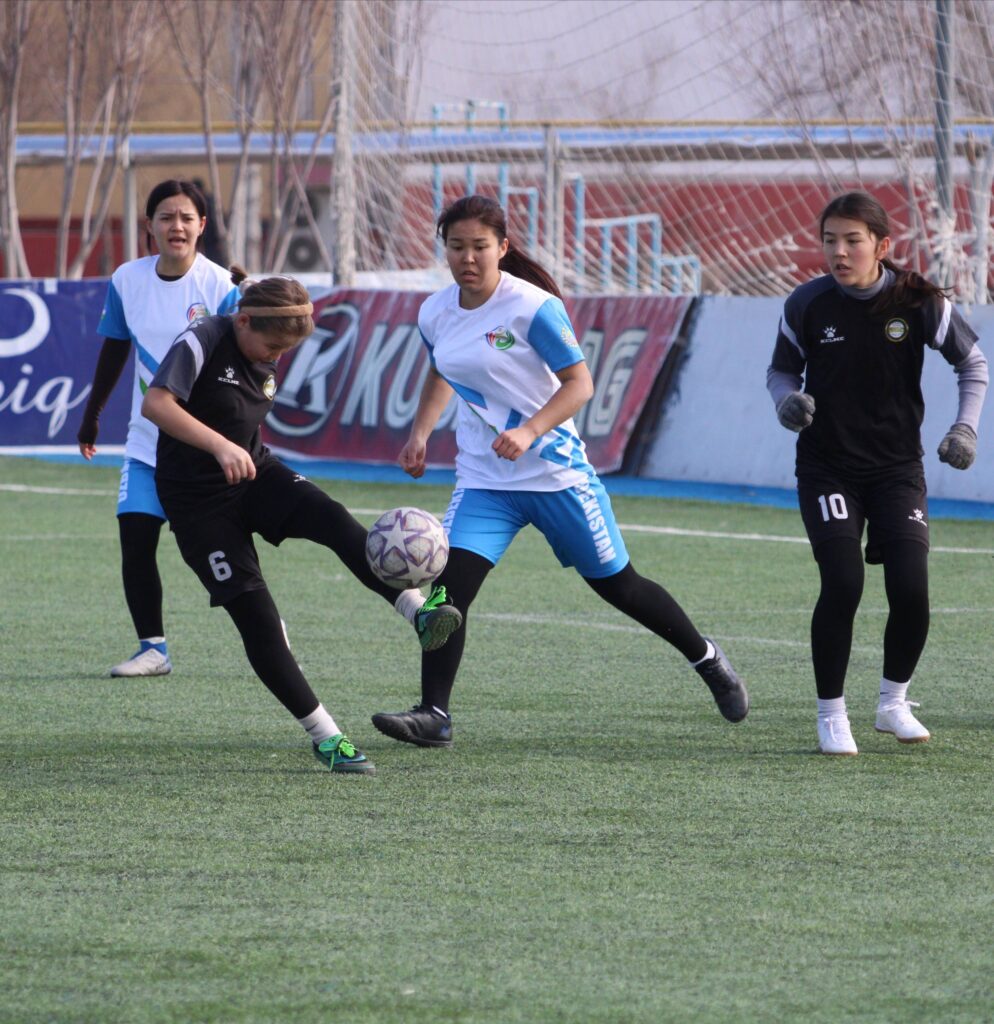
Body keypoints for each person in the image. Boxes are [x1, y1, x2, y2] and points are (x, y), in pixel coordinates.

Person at [370, 194, 749, 749]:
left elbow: (580, 384)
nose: (468, 258)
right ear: (443, 249)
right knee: (445, 595)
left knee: (619, 586)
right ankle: (434, 714)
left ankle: (707, 658)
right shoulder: (435, 311)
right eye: (456, 247)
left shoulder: (533, 307)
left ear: (503, 247)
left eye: (480, 246)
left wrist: (529, 431)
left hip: (555, 476)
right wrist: (420, 434)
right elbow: (440, 369)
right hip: (485, 481)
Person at [141, 273, 462, 774]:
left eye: (284, 350)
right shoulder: (203, 338)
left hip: (255, 473)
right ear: (243, 321)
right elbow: (156, 403)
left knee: (331, 517)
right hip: (198, 503)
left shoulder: (265, 338)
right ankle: (326, 737)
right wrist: (219, 446)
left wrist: (236, 447)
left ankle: (418, 613)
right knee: (257, 616)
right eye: (272, 347)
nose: (276, 357)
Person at [767, 191, 988, 756]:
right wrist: (787, 402)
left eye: (852, 241)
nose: (839, 252)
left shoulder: (918, 300)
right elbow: (781, 372)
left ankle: (893, 704)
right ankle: (831, 715)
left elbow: (972, 362)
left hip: (896, 470)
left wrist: (965, 429)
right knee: (843, 582)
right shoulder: (807, 303)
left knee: (912, 590)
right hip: (828, 468)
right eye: (829, 241)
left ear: (882, 245)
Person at [78, 179, 241, 678]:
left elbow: (243, 364)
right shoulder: (127, 279)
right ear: (149, 225)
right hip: (146, 445)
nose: (177, 226)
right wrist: (92, 414)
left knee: (223, 554)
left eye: (187, 217)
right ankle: (153, 649)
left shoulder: (221, 288)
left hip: (204, 450)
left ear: (202, 226)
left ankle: (267, 629)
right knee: (135, 536)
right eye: (166, 217)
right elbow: (114, 348)